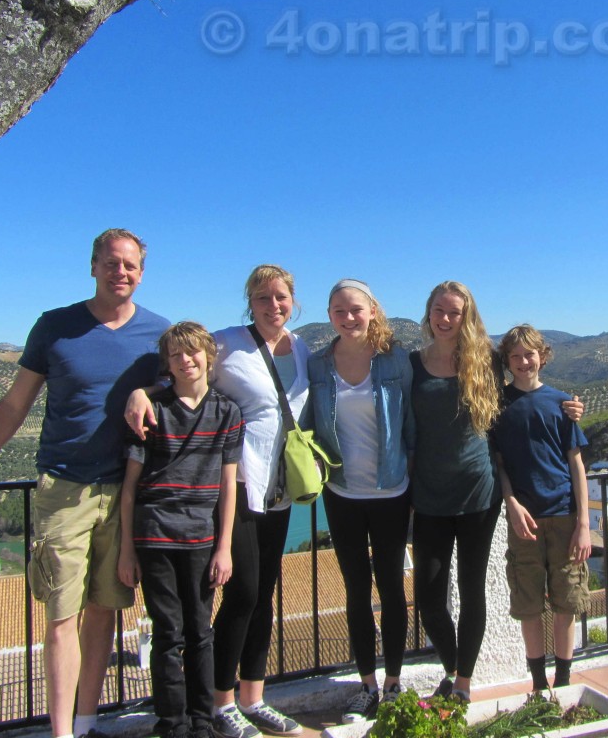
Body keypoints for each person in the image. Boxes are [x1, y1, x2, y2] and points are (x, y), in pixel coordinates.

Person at [0, 229, 170, 738]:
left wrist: (144, 389)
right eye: (111, 263)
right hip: (64, 489)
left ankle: (86, 725)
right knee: (62, 617)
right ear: (93, 266)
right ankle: (62, 732)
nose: (121, 273)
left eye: (130, 265)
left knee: (105, 611)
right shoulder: (55, 327)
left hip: (128, 492)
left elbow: (185, 385)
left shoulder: (158, 333)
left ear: (142, 272)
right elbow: (14, 405)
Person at [127, 264, 306, 738]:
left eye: (281, 297)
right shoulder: (228, 341)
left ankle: (255, 696)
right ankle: (221, 702)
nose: (273, 305)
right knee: (243, 592)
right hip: (240, 487)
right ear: (251, 302)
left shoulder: (302, 349)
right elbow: (183, 367)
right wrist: (141, 393)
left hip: (281, 490)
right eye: (263, 298)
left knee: (264, 594)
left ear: (294, 301)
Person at [410, 281, 584, 702]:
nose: (446, 318)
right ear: (429, 312)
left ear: (467, 317)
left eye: (455, 312)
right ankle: (452, 668)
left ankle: (463, 684)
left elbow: (528, 394)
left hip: (478, 494)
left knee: (472, 591)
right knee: (429, 599)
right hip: (429, 495)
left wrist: (571, 408)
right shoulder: (410, 364)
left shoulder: (485, 360)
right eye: (439, 310)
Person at [117, 322, 243, 738]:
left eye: (193, 352)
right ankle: (172, 725)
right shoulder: (154, 412)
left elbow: (228, 485)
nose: (186, 360)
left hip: (201, 540)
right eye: (176, 355)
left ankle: (202, 723)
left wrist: (224, 547)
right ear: (167, 364)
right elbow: (131, 486)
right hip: (155, 535)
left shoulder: (227, 412)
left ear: (209, 355)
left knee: (200, 632)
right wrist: (126, 550)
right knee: (168, 634)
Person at [304, 279, 414, 723]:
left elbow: (415, 419)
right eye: (338, 311)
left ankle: (392, 682)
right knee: (355, 589)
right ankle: (365, 684)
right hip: (341, 491)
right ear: (329, 314)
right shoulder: (317, 365)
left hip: (392, 490)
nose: (348, 318)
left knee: (390, 586)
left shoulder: (397, 361)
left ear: (372, 311)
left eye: (355, 310)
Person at [492, 324, 592, 692]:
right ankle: (537, 685)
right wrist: (512, 504)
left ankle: (563, 682)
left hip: (565, 517)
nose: (522, 361)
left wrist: (584, 523)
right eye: (515, 356)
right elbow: (500, 464)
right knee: (528, 603)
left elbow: (576, 465)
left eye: (529, 354)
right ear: (507, 361)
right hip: (525, 521)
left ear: (542, 357)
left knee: (566, 601)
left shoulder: (562, 403)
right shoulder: (498, 406)